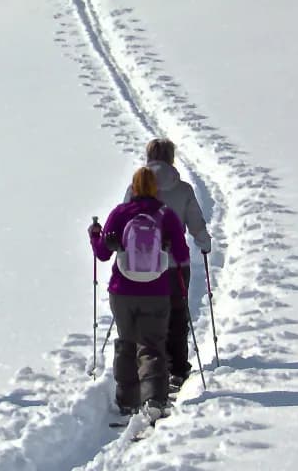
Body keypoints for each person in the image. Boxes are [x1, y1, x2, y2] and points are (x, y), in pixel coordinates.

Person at [90, 165, 189, 417]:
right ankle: (155, 399)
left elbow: (102, 253)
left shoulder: (120, 213)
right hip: (156, 290)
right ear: (156, 188)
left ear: (133, 187)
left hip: (122, 290)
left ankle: (127, 401)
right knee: (152, 345)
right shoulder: (166, 215)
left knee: (126, 343)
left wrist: (95, 236)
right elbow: (182, 255)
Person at [125, 138, 213, 390]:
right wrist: (204, 242)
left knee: (147, 316)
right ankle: (177, 368)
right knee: (176, 314)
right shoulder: (183, 189)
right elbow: (196, 222)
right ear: (172, 158)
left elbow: (123, 218)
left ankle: (151, 369)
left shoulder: (136, 187)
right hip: (176, 263)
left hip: (143, 264)